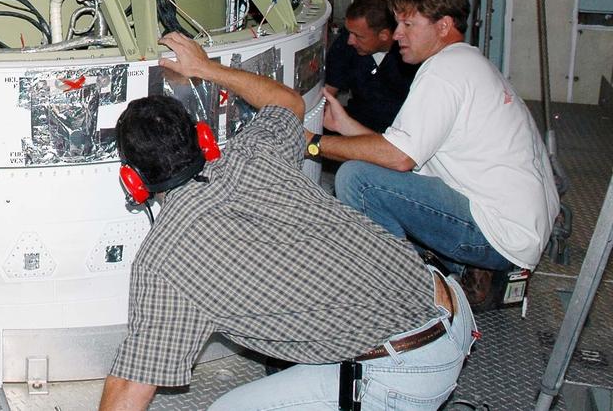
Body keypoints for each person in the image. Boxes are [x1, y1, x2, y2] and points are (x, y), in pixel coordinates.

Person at [99, 32, 476, 411]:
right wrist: (205, 68)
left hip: (408, 368)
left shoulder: (165, 259)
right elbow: (287, 102)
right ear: (205, 138)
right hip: (451, 307)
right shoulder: (256, 153)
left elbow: (132, 386)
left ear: (133, 181)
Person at [317, 0, 560, 301]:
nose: (398, 34)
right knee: (376, 186)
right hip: (518, 230)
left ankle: (406, 294)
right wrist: (346, 126)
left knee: (356, 180)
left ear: (443, 26)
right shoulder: (466, 62)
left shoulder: (444, 72)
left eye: (408, 24)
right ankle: (468, 273)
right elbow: (405, 151)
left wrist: (313, 143)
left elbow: (399, 158)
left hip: (500, 235)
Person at [323, 0, 417, 132]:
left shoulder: (412, 57)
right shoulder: (345, 46)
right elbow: (327, 93)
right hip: (353, 124)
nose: (350, 40)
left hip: (398, 133)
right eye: (349, 32)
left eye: (358, 36)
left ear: (384, 35)